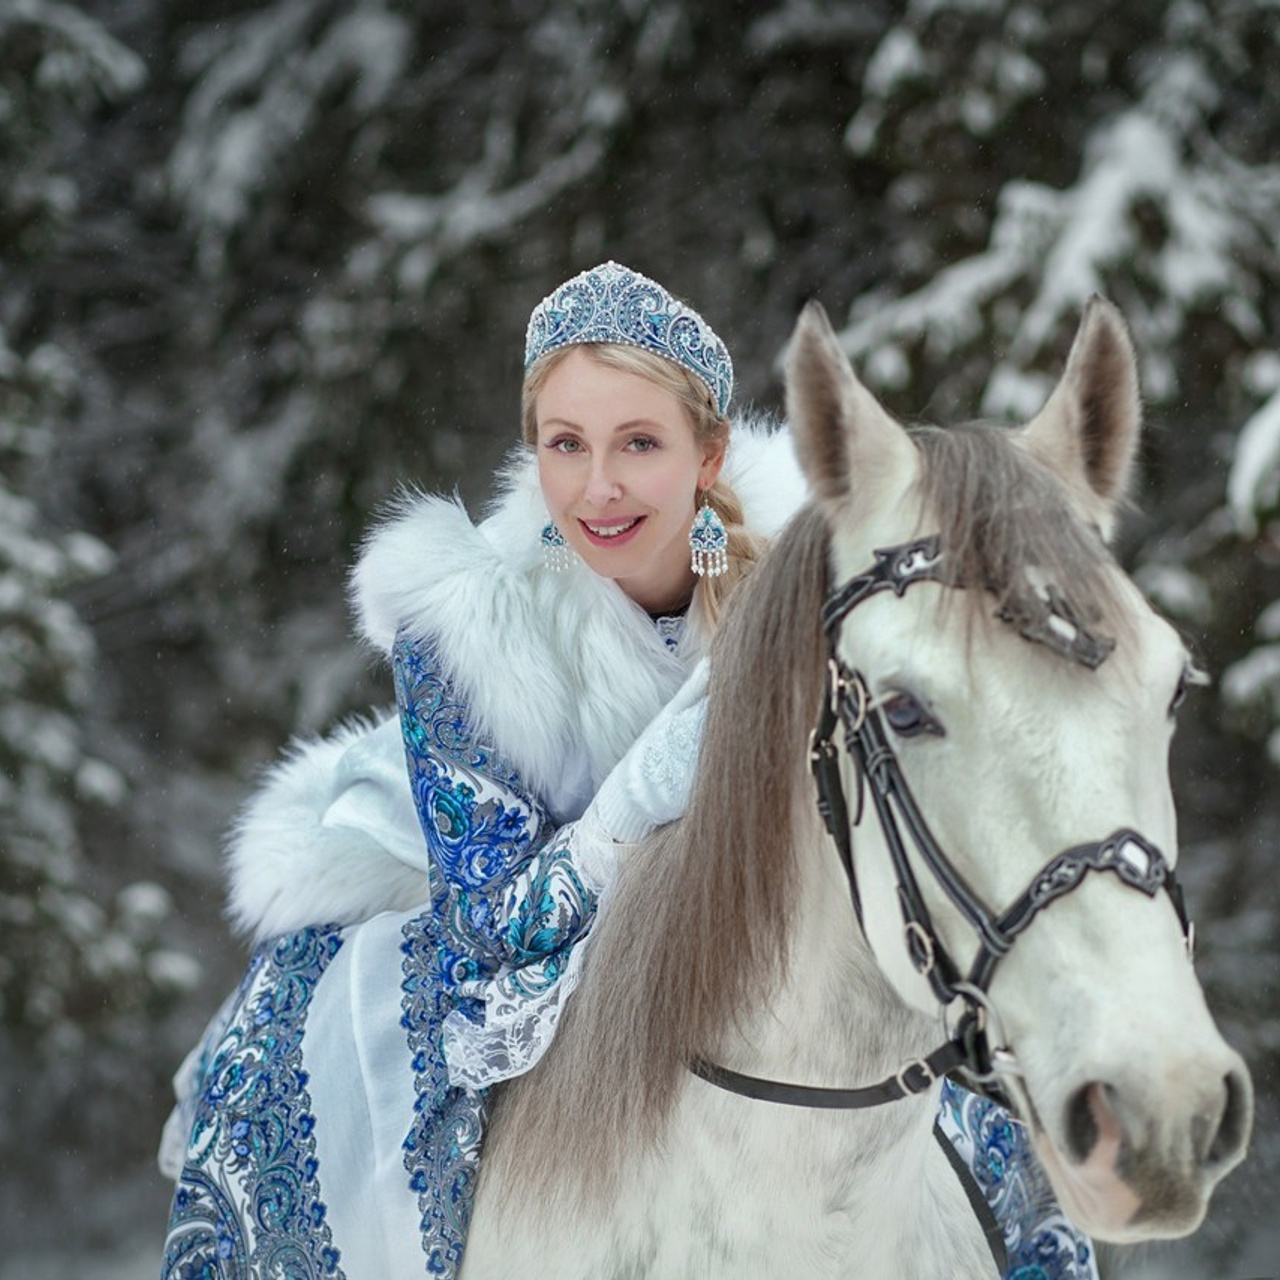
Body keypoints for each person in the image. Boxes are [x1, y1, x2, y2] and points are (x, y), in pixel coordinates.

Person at [158, 262, 1096, 1279]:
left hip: (751, 932)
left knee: (977, 1108)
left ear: (708, 454)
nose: (597, 487)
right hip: (501, 918)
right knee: (306, 1049)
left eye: (638, 443)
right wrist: (635, 802)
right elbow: (492, 925)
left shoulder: (813, 581)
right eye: (566, 444)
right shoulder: (467, 628)